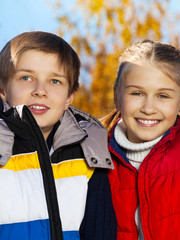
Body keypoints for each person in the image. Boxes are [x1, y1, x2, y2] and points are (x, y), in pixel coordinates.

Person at [101, 39, 180, 240]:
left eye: (163, 96)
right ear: (117, 96)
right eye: (137, 93)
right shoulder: (96, 150)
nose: (148, 108)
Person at [0, 31, 117, 240]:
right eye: (26, 77)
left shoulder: (89, 152)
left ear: (70, 97)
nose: (40, 90)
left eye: (55, 81)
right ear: (2, 88)